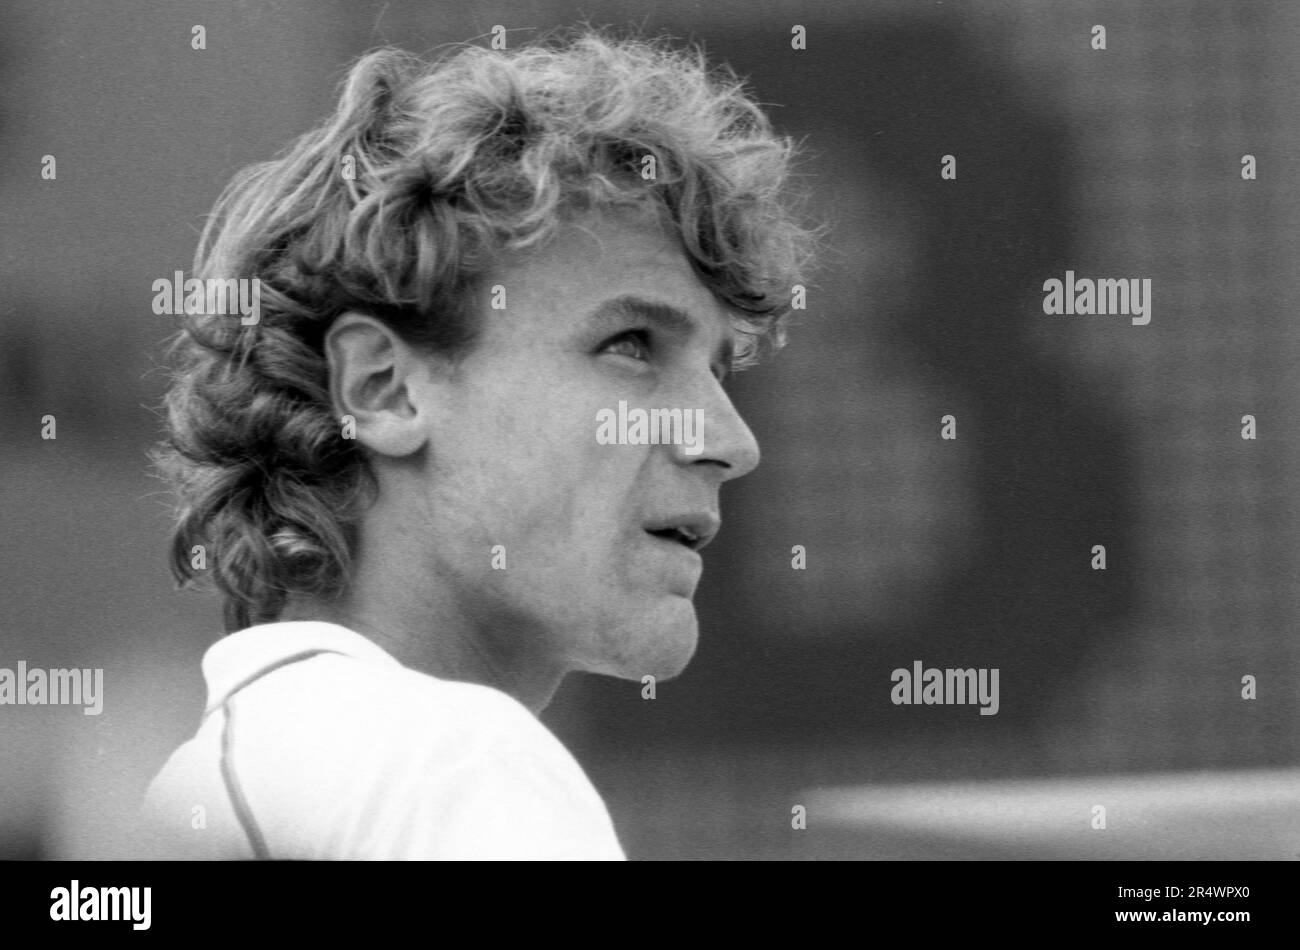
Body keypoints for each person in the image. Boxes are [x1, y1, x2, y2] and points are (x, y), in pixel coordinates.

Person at [142, 29, 816, 860]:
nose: (728, 440)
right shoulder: (449, 762)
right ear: (381, 389)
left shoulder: (202, 789)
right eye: (634, 344)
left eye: (719, 369)